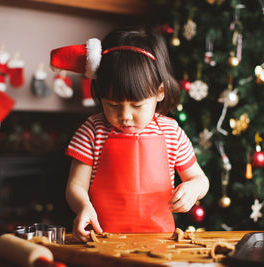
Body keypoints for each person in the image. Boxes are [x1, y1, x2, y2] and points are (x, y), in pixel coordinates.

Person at [50, 27, 209, 242]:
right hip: (102, 239)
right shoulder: (92, 130)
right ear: (100, 94)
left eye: (137, 105)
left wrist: (193, 188)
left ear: (160, 92)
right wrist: (83, 206)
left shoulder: (172, 132)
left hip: (160, 242)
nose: (125, 116)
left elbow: (200, 179)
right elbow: (76, 185)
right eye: (113, 105)